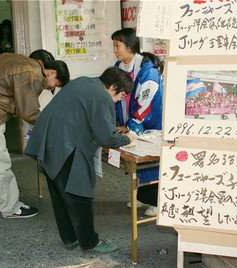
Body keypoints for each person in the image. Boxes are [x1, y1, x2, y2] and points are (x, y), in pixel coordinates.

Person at [24, 67, 135, 253]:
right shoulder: (101, 95)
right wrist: (127, 139)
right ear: (113, 86)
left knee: (60, 194)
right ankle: (90, 242)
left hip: (49, 142)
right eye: (120, 94)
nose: (118, 100)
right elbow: (106, 138)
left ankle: (70, 238)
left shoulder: (84, 81)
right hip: (65, 145)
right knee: (79, 195)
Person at [0, 50, 70, 218]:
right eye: (56, 83)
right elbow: (29, 112)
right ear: (51, 72)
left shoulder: (22, 62)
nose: (52, 87)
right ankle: (10, 207)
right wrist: (57, 125)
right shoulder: (32, 73)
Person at [111, 28, 164, 217]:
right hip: (132, 121)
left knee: (150, 161)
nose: (115, 49)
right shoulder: (120, 65)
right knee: (137, 163)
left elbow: (144, 104)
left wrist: (133, 126)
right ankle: (142, 196)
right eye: (114, 45)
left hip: (150, 123)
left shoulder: (148, 71)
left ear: (130, 46)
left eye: (118, 45)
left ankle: (158, 203)